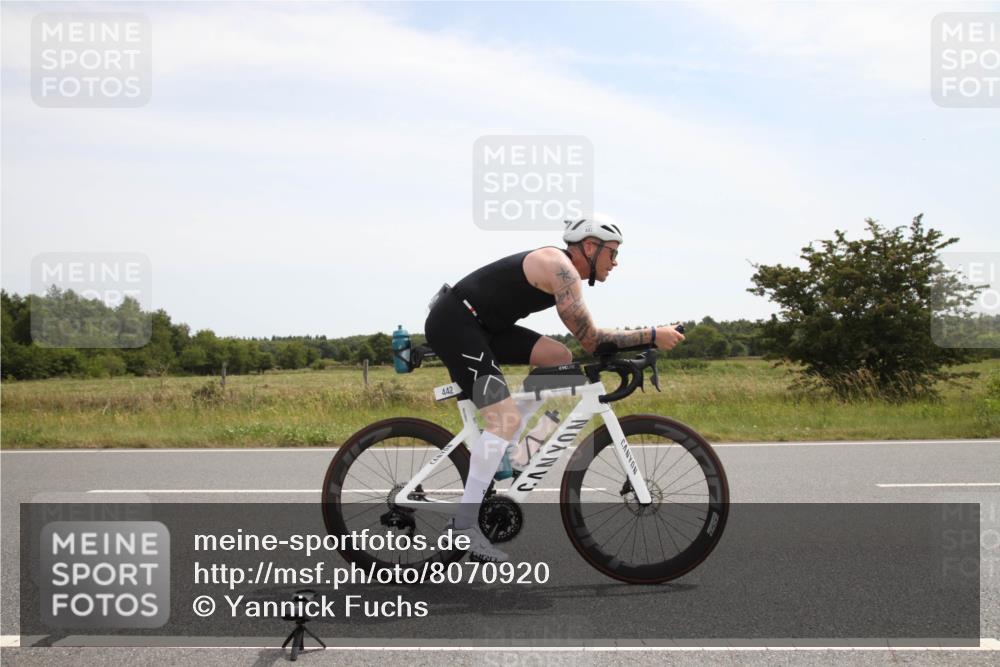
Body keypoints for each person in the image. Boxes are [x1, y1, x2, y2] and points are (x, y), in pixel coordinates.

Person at [423, 215, 685, 561]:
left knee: (556, 358)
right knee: (502, 419)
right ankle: (464, 527)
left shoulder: (565, 269)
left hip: (484, 326)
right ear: (590, 247)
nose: (615, 262)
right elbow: (592, 340)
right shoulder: (561, 270)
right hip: (456, 323)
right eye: (613, 253)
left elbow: (582, 346)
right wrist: (652, 335)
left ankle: (516, 451)